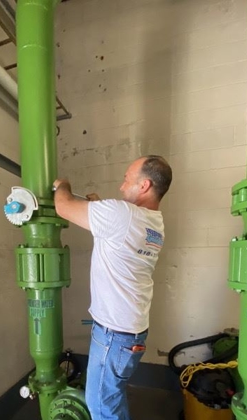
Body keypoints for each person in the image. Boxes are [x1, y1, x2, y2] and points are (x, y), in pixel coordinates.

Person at [53, 155, 172, 420]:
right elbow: (117, 235)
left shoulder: (122, 214)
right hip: (130, 332)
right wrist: (98, 206)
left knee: (101, 407)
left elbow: (63, 206)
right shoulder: (154, 223)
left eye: (127, 179)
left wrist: (63, 184)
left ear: (144, 185)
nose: (121, 186)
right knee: (112, 398)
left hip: (113, 335)